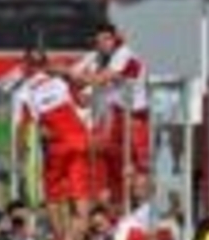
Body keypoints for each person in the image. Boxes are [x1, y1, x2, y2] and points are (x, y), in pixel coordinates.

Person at [64, 22, 151, 206]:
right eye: (99, 41)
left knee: (138, 169)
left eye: (107, 39)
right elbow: (75, 78)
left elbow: (97, 79)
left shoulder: (125, 55)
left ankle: (142, 207)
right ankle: (117, 208)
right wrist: (77, 81)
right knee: (111, 171)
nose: (103, 44)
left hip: (135, 118)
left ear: (115, 38)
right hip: (112, 119)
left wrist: (79, 78)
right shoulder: (95, 57)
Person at [14, 48, 91, 240]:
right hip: (80, 141)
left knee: (54, 197)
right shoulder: (60, 81)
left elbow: (22, 128)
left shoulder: (24, 92)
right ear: (44, 64)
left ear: (26, 66)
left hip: (57, 146)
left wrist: (20, 157)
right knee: (80, 199)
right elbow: (83, 102)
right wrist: (69, 75)